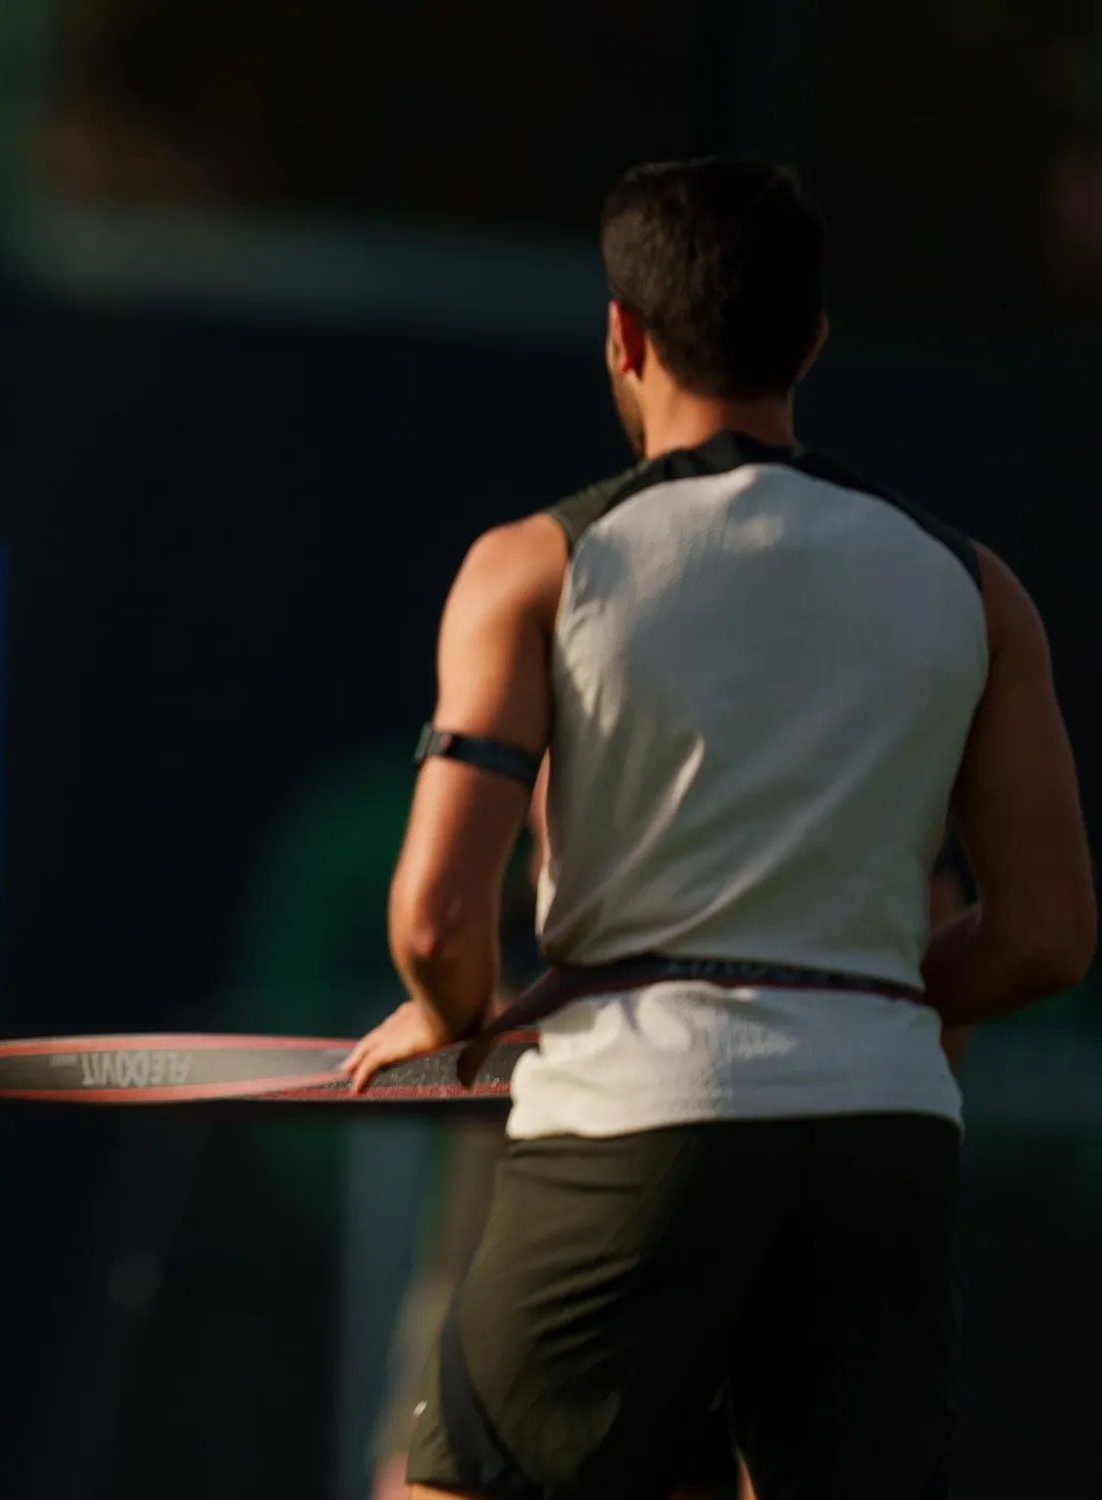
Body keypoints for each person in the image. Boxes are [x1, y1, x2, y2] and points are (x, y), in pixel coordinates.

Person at [345, 157, 1095, 1499]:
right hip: (884, 1135)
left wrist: (451, 1014)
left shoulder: (536, 563)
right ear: (812, 339)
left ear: (623, 337)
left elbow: (436, 918)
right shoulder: (976, 587)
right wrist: (851, 998)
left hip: (634, 1123)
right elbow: (1046, 935)